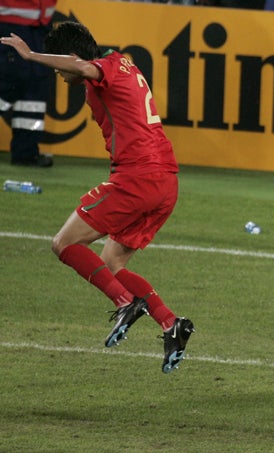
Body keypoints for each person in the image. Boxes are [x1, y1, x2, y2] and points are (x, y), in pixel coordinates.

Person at [0, 22, 194, 374]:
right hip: (166, 181)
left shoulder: (99, 69)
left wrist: (29, 55)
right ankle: (170, 323)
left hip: (137, 177)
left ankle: (125, 303)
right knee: (113, 264)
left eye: (61, 66)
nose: (60, 74)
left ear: (70, 57)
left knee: (63, 244)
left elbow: (84, 67)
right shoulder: (123, 64)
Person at [0, 0, 55, 167]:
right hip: (8, 20)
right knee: (9, 81)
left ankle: (26, 153)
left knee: (35, 87)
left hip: (40, 24)